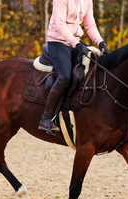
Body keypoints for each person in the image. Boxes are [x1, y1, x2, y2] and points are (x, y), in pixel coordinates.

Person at [39, 0, 109, 134]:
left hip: (75, 41)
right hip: (58, 42)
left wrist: (101, 43)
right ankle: (46, 118)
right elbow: (60, 25)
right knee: (65, 76)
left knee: (94, 67)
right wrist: (76, 44)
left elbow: (90, 25)